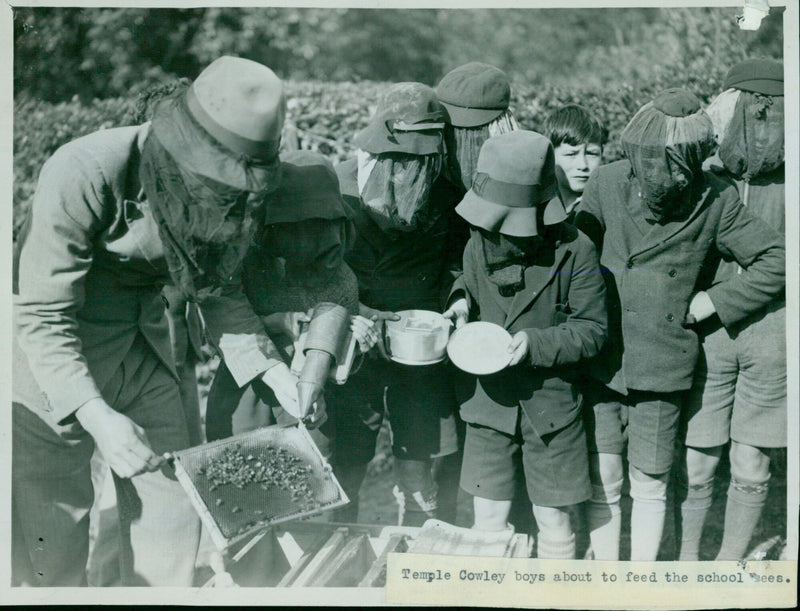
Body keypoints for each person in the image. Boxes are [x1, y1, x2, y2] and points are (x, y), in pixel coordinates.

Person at [12, 56, 298, 586]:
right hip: (51, 358)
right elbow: (42, 311)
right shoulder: (85, 168)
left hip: (145, 348)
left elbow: (217, 285)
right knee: (55, 530)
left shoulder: (235, 180)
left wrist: (272, 371)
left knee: (174, 508)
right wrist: (95, 415)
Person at [574, 88, 785, 561]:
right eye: (648, 159)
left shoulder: (716, 199)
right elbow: (574, 255)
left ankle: (644, 582)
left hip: (663, 364)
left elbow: (776, 257)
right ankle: (607, 578)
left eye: (670, 161)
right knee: (603, 477)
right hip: (602, 357)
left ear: (693, 157)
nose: (657, 172)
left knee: (648, 482)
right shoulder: (605, 183)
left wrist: (716, 299)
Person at [443, 130, 607, 559]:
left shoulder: (576, 250)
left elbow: (592, 329)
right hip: (488, 405)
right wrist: (459, 302)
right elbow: (468, 282)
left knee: (553, 519)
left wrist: (533, 344)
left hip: (550, 406)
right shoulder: (478, 239)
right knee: (488, 519)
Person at [331, 82, 464, 525]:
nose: (414, 170)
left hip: (421, 346)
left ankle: (422, 556)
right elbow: (319, 272)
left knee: (422, 458)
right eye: (403, 159)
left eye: (423, 159)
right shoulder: (339, 187)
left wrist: (458, 299)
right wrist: (350, 316)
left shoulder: (448, 195)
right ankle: (341, 551)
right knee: (347, 456)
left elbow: (456, 264)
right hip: (356, 341)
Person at [677, 59, 786, 561]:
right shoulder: (705, 174)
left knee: (750, 457)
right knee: (698, 455)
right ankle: (686, 558)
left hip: (775, 332)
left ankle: (728, 562)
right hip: (708, 335)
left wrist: (720, 300)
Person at [203, 150, 381, 449]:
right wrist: (278, 323)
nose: (308, 237)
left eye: (320, 224)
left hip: (317, 400)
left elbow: (342, 345)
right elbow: (218, 330)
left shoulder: (339, 272)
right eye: (294, 226)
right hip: (252, 391)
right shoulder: (244, 261)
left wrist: (353, 333)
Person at [543, 104, 608, 221]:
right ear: (550, 155)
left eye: (591, 154)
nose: (582, 165)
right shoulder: (538, 204)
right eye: (571, 154)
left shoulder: (608, 206)